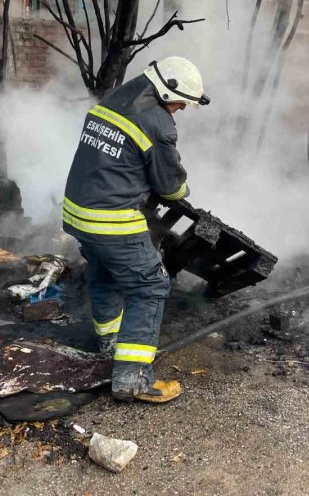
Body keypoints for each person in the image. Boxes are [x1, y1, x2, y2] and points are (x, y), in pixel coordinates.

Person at [62, 56, 209, 403]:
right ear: (165, 90)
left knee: (104, 273)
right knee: (151, 285)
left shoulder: (113, 100)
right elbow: (170, 186)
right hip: (111, 219)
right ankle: (133, 378)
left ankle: (109, 343)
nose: (181, 110)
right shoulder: (157, 122)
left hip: (78, 213)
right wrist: (181, 190)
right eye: (181, 103)